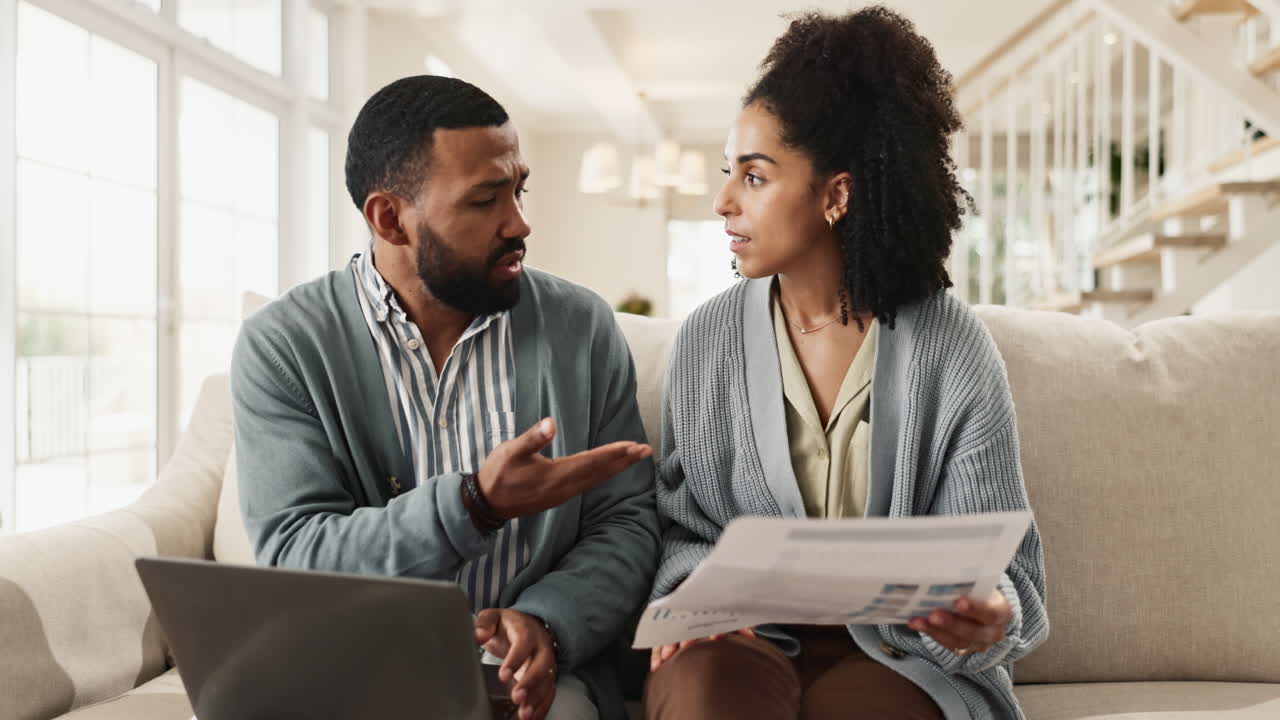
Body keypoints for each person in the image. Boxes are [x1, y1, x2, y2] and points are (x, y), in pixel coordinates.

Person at [643, 8, 1048, 720]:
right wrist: (689, 600)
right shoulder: (706, 342)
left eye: (756, 177)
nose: (723, 201)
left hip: (900, 654)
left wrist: (990, 613)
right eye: (727, 173)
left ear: (837, 194)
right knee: (706, 698)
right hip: (740, 645)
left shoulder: (951, 348)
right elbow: (684, 527)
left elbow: (1007, 569)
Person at [230, 75, 660, 720]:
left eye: (518, 189)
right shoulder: (285, 344)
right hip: (354, 663)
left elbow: (626, 520)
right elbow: (297, 553)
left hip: (528, 677)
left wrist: (548, 622)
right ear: (389, 219)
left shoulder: (580, 325)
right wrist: (473, 505)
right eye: (486, 200)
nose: (519, 222)